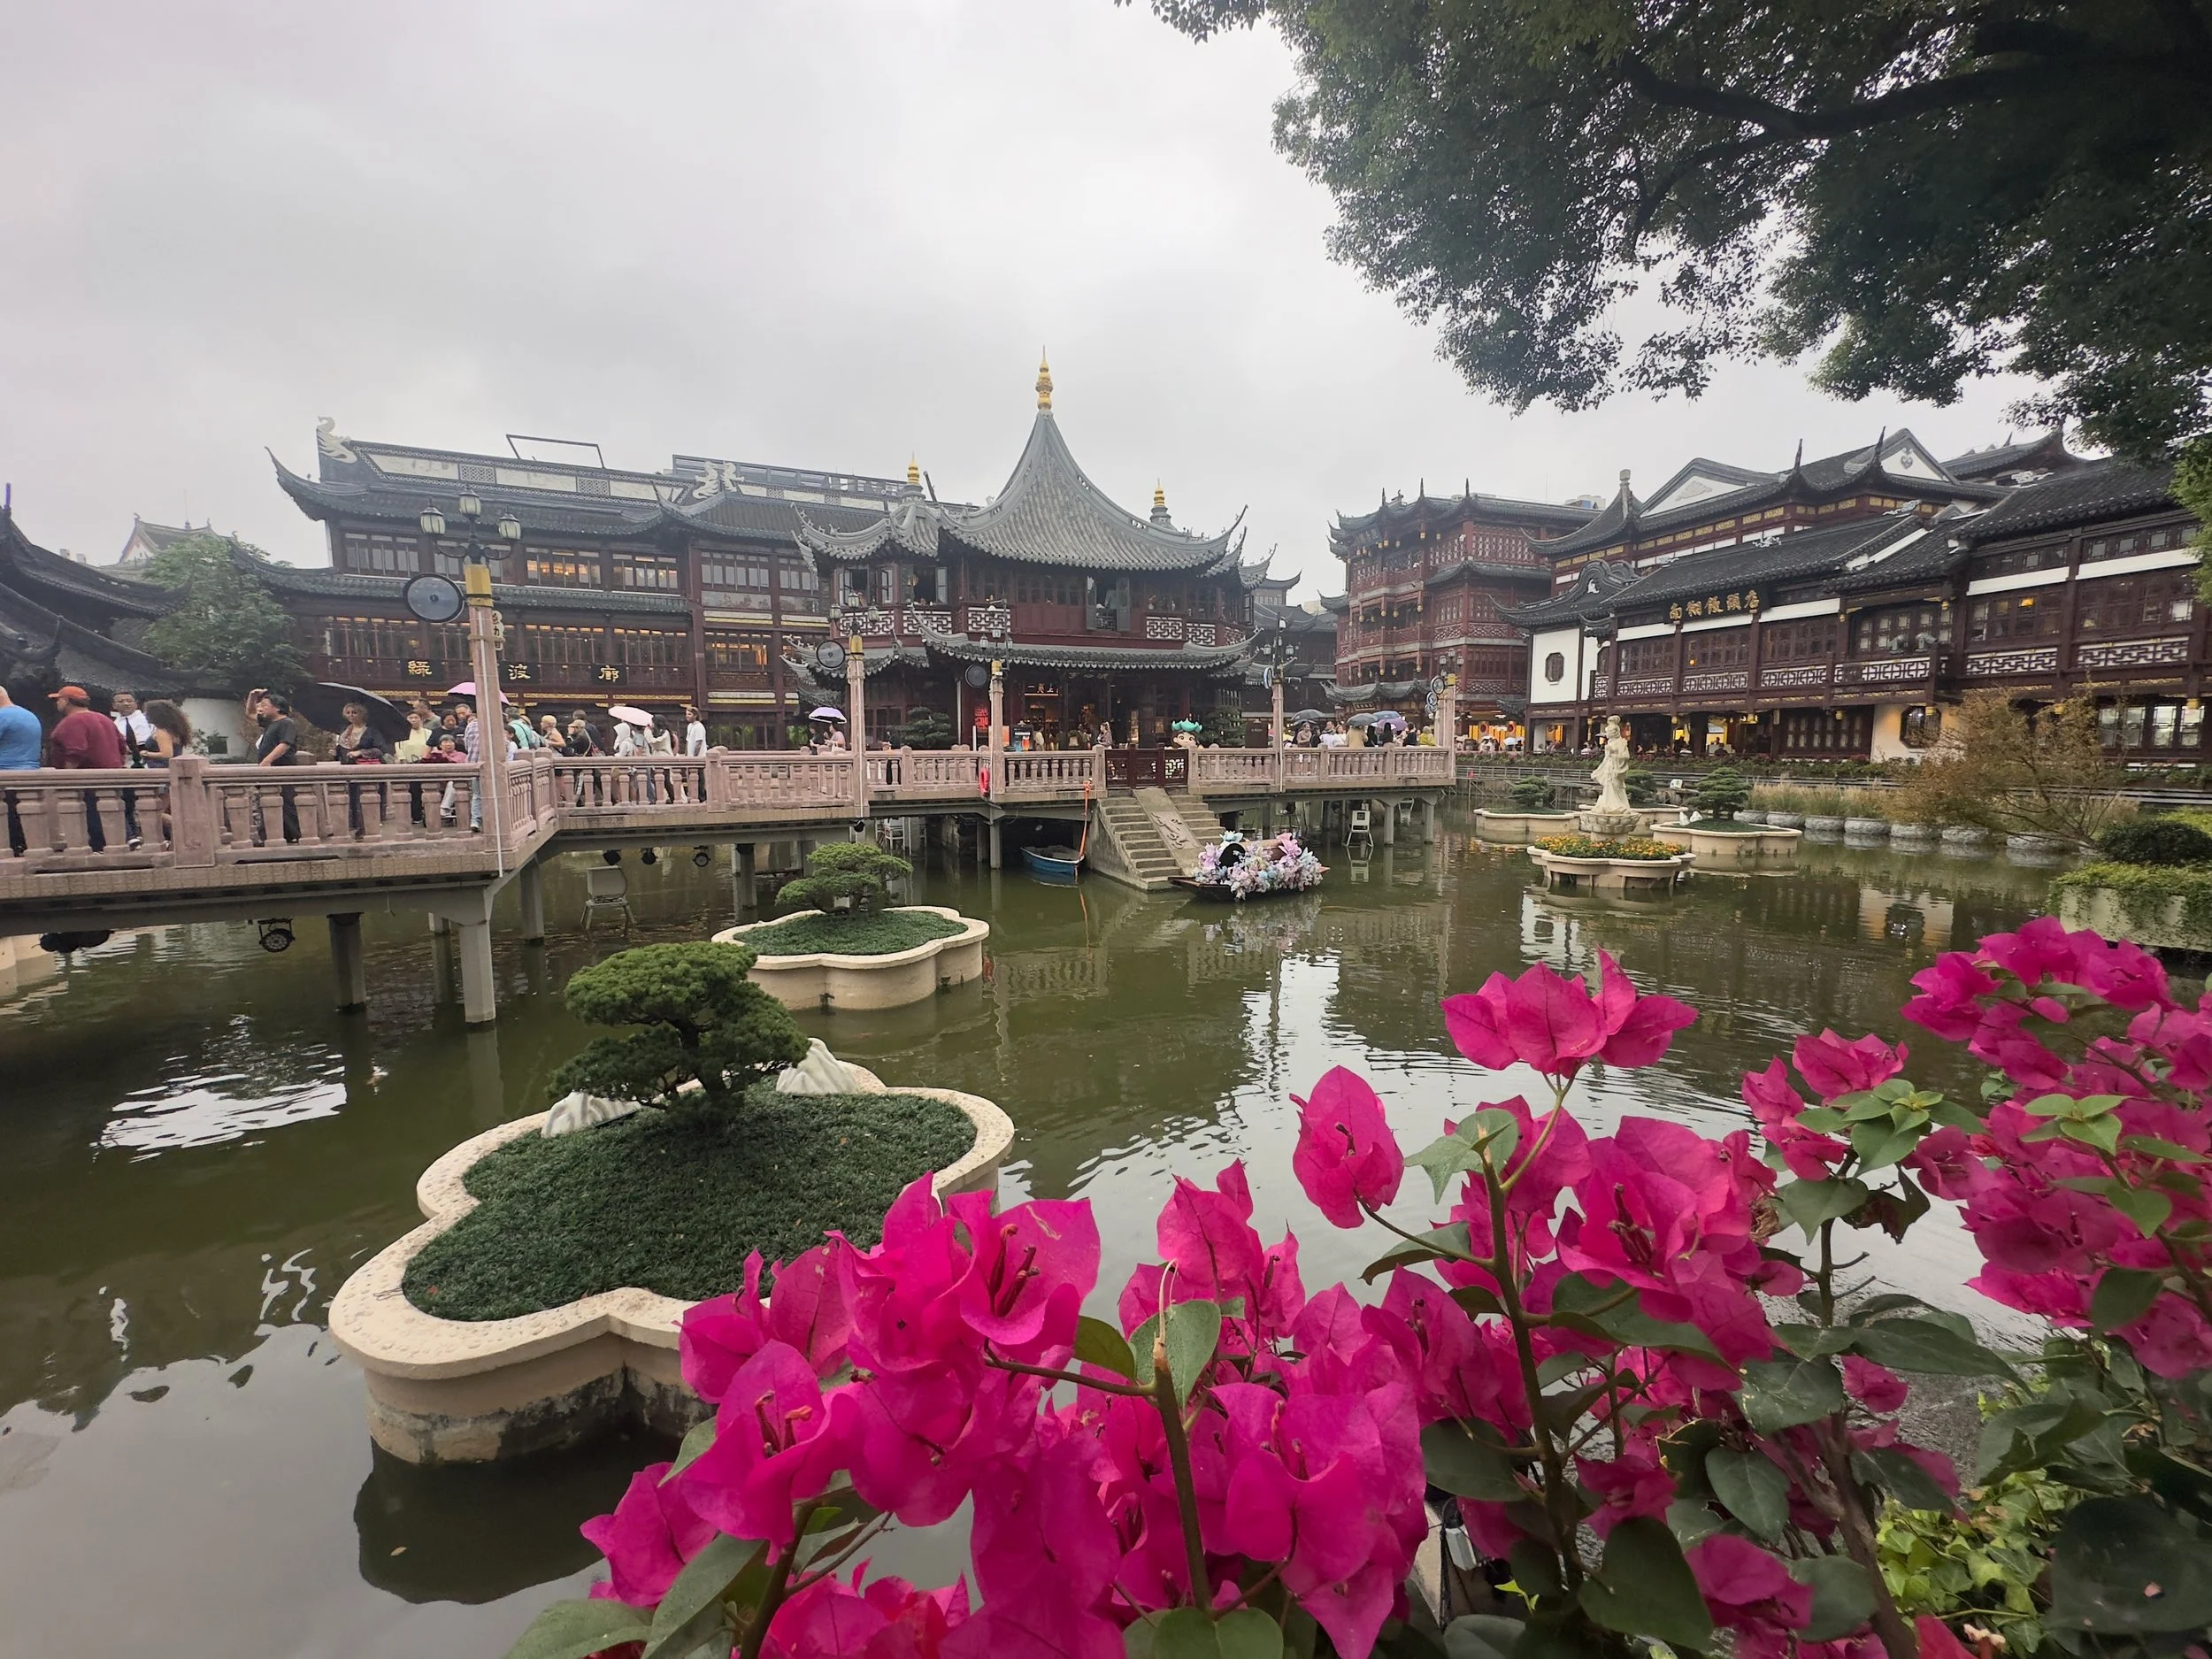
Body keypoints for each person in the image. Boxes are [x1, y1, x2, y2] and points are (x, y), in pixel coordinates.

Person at [49, 684, 130, 852]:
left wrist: (66, 776)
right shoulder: (104, 719)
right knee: (114, 814)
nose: (56, 704)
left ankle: (101, 847)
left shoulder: (73, 721)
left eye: (58, 700)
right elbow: (123, 746)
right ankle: (127, 841)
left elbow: (75, 751)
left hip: (89, 778)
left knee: (94, 816)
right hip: (114, 774)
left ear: (66, 701)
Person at [250, 690, 303, 844]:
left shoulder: (287, 723)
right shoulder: (270, 723)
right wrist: (253, 697)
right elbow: (251, 713)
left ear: (278, 708)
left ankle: (292, 834)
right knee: (268, 801)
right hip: (269, 768)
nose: (262, 708)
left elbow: (285, 744)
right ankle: (268, 835)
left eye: (265, 705)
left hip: (282, 767)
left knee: (286, 802)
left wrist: (267, 761)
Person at [139, 700, 192, 844]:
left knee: (156, 811)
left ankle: (185, 827)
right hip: (170, 773)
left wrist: (146, 753)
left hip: (161, 773)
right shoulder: (174, 731)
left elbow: (167, 754)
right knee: (167, 809)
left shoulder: (162, 732)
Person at [334, 701, 388, 838]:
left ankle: (367, 827)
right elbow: (341, 750)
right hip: (348, 769)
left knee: (364, 799)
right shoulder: (345, 731)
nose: (351, 715)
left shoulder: (372, 730)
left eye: (354, 712)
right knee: (351, 799)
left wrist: (361, 752)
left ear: (362, 714)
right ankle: (355, 827)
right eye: (348, 713)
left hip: (366, 769)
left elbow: (380, 750)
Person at [0, 683, 41, 856]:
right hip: (29, 772)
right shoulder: (27, 714)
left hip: (7, 772)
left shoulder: (3, 716)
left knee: (9, 818)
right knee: (19, 816)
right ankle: (21, 846)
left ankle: (15, 846)